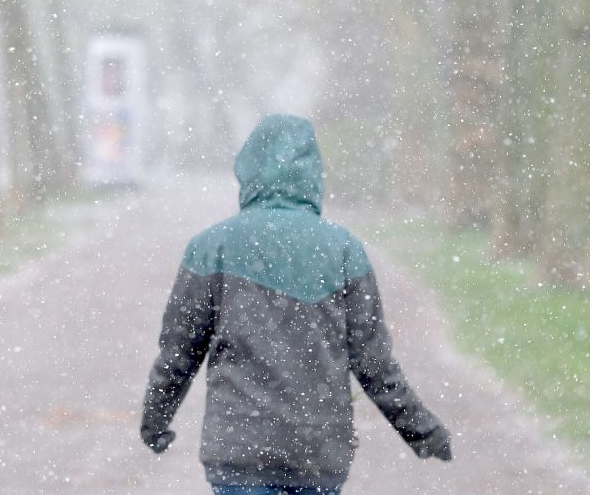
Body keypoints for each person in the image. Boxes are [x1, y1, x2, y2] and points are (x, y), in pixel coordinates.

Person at [140, 115, 452, 495]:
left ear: (248, 169)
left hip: (241, 450)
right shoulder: (343, 252)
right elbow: (374, 364)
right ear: (313, 174)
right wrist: (421, 430)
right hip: (316, 452)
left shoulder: (211, 249)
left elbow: (179, 352)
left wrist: (156, 417)